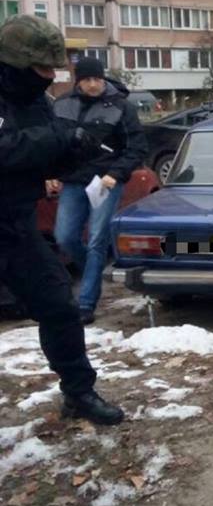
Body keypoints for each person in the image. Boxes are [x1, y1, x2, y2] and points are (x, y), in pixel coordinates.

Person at [0, 16, 124, 425]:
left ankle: (78, 392)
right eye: (41, 68)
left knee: (59, 306)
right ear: (16, 62)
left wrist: (76, 152)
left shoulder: (36, 100)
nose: (50, 76)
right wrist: (60, 139)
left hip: (16, 225)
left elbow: (43, 149)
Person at [52, 57, 147, 324]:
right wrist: (50, 172)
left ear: (103, 79)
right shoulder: (62, 104)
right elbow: (53, 143)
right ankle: (94, 271)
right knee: (64, 237)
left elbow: (137, 147)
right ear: (78, 81)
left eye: (97, 79)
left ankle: (86, 303)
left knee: (97, 240)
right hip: (73, 180)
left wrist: (115, 174)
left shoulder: (121, 106)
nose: (93, 85)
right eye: (87, 80)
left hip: (105, 182)